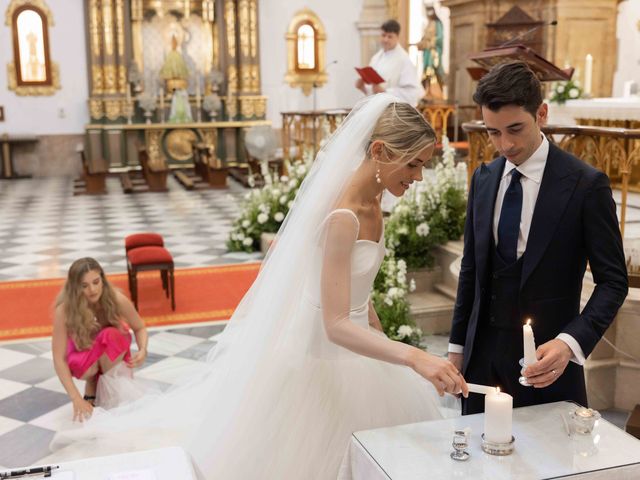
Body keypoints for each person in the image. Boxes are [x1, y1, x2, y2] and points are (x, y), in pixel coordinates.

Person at [51, 94, 467, 478]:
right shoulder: (343, 216)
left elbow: (357, 290)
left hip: (362, 351)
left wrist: (383, 340)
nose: (419, 177)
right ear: (379, 151)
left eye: (423, 165)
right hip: (320, 357)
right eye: (413, 164)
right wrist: (413, 357)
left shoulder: (376, 202)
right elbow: (335, 324)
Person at [448, 62, 628, 415]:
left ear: (541, 113)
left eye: (515, 128)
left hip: (549, 367)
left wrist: (569, 343)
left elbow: (613, 282)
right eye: (493, 132)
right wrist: (457, 347)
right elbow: (471, 270)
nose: (506, 144)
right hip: (481, 364)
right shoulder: (483, 179)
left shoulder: (585, 185)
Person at [52, 257, 148, 422]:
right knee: (76, 362)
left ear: (103, 279)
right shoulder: (64, 310)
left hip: (113, 350)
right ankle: (93, 383)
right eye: (84, 286)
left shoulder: (116, 299)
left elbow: (140, 327)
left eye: (96, 282)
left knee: (108, 335)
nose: (92, 290)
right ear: (74, 288)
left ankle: (103, 391)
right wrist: (76, 399)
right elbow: (59, 359)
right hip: (88, 352)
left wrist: (143, 349)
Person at [356, 20, 424, 106]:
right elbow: (373, 91)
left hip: (393, 112)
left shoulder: (404, 60)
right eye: (383, 35)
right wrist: (362, 87)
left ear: (397, 37)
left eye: (390, 37)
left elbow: (413, 93)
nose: (385, 40)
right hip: (377, 107)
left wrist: (386, 92)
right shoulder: (376, 58)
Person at [416, 6, 445, 100]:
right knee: (426, 74)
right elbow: (424, 38)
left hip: (433, 53)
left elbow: (440, 38)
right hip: (427, 53)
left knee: (433, 72)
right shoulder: (428, 24)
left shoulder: (437, 23)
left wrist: (429, 43)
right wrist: (421, 43)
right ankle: (427, 92)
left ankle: (436, 94)